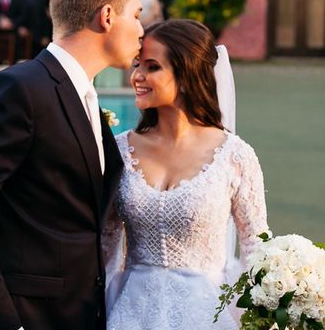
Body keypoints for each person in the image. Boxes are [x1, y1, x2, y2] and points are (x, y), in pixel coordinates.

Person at [0, 0, 145, 330]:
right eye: (137, 15)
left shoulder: (85, 95)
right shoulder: (18, 89)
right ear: (108, 16)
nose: (142, 30)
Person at [103, 19, 269, 329]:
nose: (136, 76)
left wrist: (266, 312)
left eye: (152, 67)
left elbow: (256, 247)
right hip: (130, 315)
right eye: (137, 64)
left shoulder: (234, 156)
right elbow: (105, 245)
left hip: (207, 315)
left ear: (187, 73)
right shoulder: (120, 151)